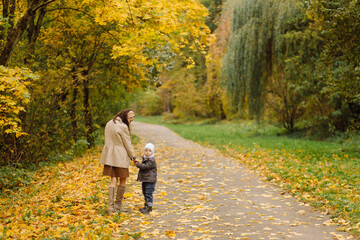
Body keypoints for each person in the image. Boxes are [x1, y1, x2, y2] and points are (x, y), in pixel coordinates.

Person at [99, 109, 136, 215]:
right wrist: (133, 157)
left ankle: (111, 208)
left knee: (113, 180)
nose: (130, 121)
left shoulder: (109, 123)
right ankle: (118, 205)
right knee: (123, 180)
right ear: (125, 117)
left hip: (109, 156)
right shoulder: (123, 127)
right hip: (120, 156)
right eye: (130, 119)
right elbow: (127, 143)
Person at [134, 143, 157, 214]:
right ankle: (146, 205)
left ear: (152, 152)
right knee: (144, 192)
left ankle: (149, 206)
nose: (147, 152)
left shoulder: (152, 161)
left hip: (150, 180)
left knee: (148, 193)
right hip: (145, 180)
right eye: (146, 150)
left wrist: (138, 164)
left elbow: (145, 167)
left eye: (149, 151)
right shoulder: (145, 159)